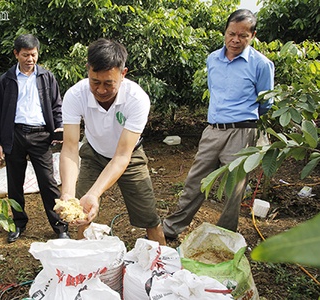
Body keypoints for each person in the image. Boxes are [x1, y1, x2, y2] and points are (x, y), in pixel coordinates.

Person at [162, 9, 275, 240]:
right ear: (225, 32)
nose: (235, 40)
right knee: (196, 180)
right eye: (231, 33)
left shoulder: (261, 65)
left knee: (234, 189)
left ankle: (225, 235)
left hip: (243, 132)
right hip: (213, 130)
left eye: (242, 36)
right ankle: (172, 228)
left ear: (252, 35)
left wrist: (248, 124)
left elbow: (266, 103)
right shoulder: (213, 59)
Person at [59, 38, 166, 245]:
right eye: (95, 82)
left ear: (123, 74)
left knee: (149, 217)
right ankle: (82, 266)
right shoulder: (75, 95)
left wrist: (95, 194)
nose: (100, 90)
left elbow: (122, 155)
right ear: (88, 70)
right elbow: (70, 147)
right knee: (82, 214)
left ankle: (164, 265)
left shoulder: (137, 99)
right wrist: (68, 194)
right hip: (94, 152)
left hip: (129, 156)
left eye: (109, 83)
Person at [0, 34, 69, 243]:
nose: (30, 59)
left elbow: (56, 105)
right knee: (14, 183)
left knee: (48, 182)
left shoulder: (46, 77)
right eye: (25, 55)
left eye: (33, 55)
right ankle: (17, 223)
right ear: (16, 54)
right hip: (14, 134)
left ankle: (60, 226)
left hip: (40, 135)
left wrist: (59, 128)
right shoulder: (6, 80)